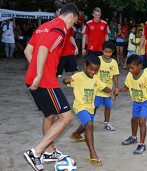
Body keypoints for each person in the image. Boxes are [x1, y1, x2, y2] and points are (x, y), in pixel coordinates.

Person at [23, 3, 80, 171]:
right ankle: (36, 151)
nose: (73, 25)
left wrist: (34, 70)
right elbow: (42, 50)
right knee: (66, 117)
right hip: (45, 81)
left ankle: (49, 151)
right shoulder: (59, 29)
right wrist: (40, 75)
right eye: (75, 21)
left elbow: (28, 51)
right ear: (71, 16)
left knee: (50, 115)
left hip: (33, 78)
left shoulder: (44, 27)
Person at [64, 55, 113, 166]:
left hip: (90, 107)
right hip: (80, 106)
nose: (92, 72)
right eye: (90, 69)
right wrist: (66, 80)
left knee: (86, 125)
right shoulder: (78, 76)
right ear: (85, 66)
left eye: (95, 70)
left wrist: (112, 91)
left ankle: (76, 134)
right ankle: (93, 154)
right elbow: (67, 82)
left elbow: (103, 87)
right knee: (89, 125)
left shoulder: (96, 78)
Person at [115, 54, 147, 154]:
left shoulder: (146, 76)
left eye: (132, 68)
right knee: (134, 119)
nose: (130, 70)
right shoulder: (130, 75)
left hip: (145, 101)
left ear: (140, 66)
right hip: (136, 101)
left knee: (142, 121)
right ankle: (133, 137)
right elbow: (126, 86)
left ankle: (142, 144)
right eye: (129, 67)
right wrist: (119, 90)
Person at [94, 41, 119, 131]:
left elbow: (115, 75)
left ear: (112, 52)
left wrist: (116, 88)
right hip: (97, 89)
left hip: (108, 90)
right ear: (102, 51)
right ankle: (90, 122)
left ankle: (107, 123)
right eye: (105, 52)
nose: (107, 54)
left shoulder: (114, 63)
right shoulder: (98, 60)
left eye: (109, 52)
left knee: (108, 106)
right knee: (94, 106)